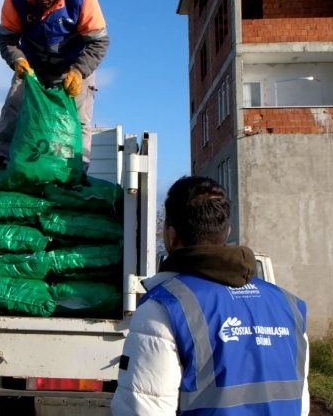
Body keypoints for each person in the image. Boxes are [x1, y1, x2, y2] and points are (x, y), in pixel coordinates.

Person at [110, 176, 310, 415]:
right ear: (227, 231)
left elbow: (142, 410)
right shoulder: (289, 305)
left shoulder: (165, 307)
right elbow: (301, 401)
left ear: (171, 236)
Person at [0, 0, 110, 173]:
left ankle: (77, 167)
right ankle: (1, 160)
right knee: (14, 103)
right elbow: (6, 38)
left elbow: (99, 42)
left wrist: (78, 72)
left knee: (78, 115)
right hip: (32, 64)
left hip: (74, 65)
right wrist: (16, 59)